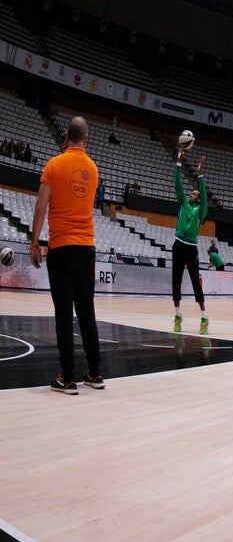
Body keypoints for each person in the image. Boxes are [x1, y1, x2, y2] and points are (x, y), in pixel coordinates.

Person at [30, 116, 104, 394]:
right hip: (86, 248)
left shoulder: (53, 165)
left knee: (64, 314)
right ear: (86, 138)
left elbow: (41, 207)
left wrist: (35, 243)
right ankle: (95, 373)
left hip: (61, 248)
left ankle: (67, 377)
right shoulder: (94, 170)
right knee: (87, 313)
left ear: (66, 136)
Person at [172, 149, 208, 335]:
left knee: (196, 282)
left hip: (191, 248)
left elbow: (203, 192)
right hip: (178, 244)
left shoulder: (201, 211)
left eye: (194, 193)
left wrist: (200, 174)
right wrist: (179, 163)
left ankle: (204, 317)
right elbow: (177, 185)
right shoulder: (184, 203)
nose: (191, 194)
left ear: (199, 198)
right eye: (191, 193)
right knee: (175, 281)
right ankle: (178, 315)